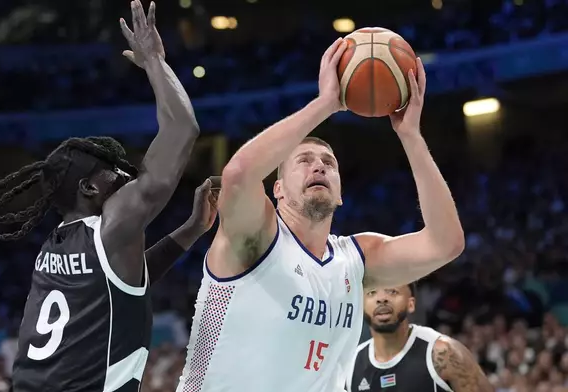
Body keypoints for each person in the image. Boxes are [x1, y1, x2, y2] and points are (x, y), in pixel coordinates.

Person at [177, 38, 465, 392]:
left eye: (329, 163)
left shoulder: (355, 261)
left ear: (341, 193)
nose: (319, 166)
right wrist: (326, 104)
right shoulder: (257, 235)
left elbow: (446, 243)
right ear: (277, 189)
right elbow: (238, 176)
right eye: (304, 161)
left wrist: (411, 137)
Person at [0, 1, 206, 391]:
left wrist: (189, 232)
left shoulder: (57, 244)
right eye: (116, 170)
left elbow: (126, 282)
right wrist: (155, 62)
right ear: (89, 187)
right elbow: (182, 130)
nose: (128, 175)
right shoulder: (110, 228)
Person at [347, 284, 493, 392]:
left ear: (411, 304)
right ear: (361, 305)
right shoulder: (349, 365)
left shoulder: (444, 353)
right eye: (372, 293)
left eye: (392, 291)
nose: (382, 299)